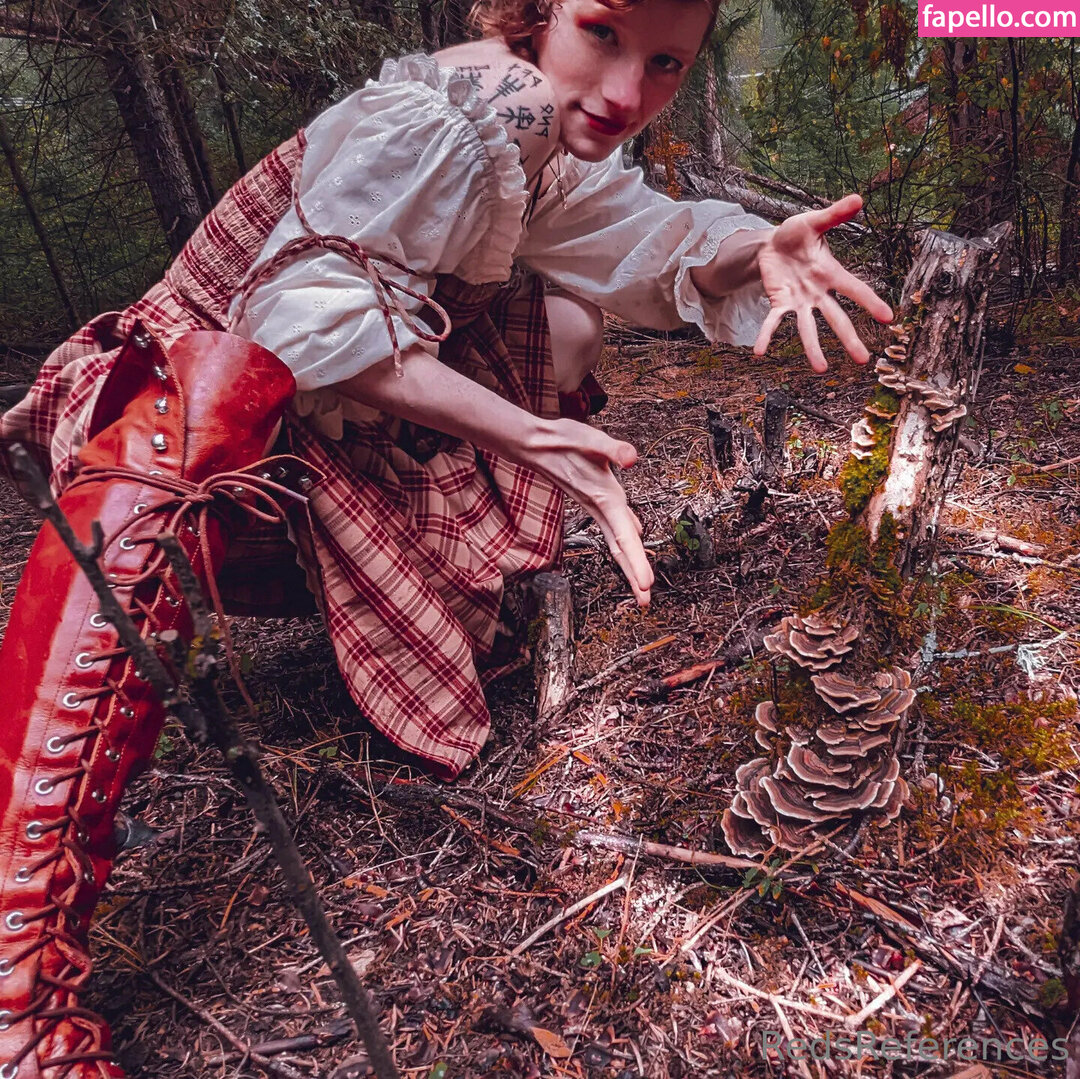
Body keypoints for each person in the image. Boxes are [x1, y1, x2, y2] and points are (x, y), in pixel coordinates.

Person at [0, 0, 892, 1071]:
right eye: (603, 32)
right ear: (538, 9)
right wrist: (530, 435)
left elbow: (650, 246)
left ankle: (417, 582)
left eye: (665, 63)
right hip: (175, 445)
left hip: (305, 453)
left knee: (566, 320)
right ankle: (17, 969)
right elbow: (294, 320)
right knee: (210, 394)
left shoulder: (546, 139)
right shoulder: (489, 98)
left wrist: (752, 251)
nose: (626, 92)